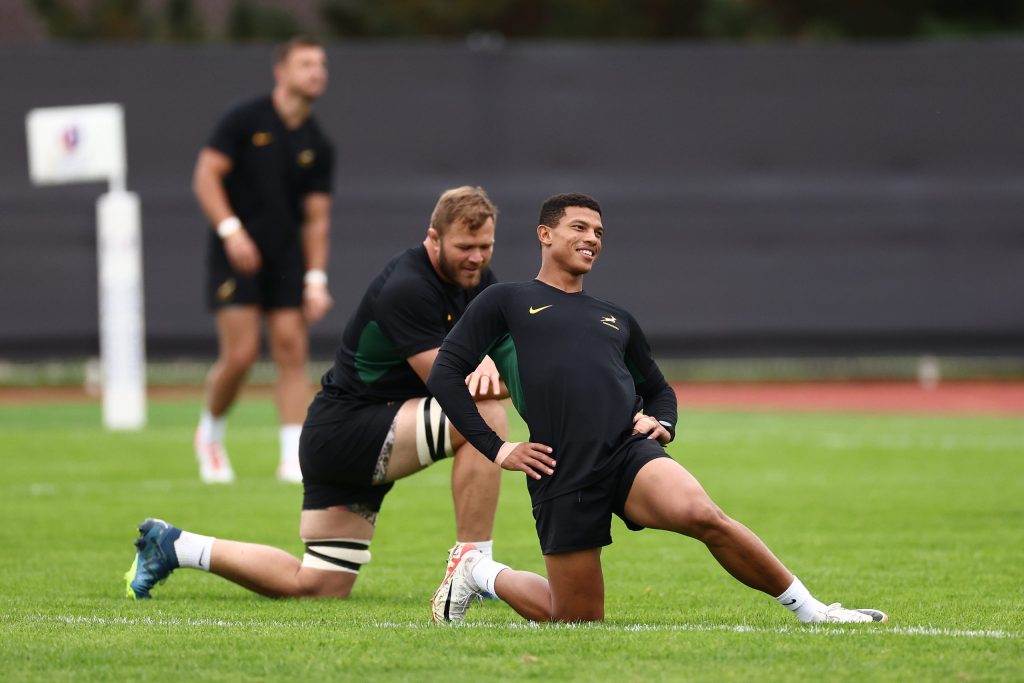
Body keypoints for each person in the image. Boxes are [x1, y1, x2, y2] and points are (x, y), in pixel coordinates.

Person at [426, 192, 889, 624]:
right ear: (544, 234)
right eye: (579, 228)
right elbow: (445, 372)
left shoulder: (616, 317)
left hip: (626, 453)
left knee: (704, 515)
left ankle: (815, 612)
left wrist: (661, 421)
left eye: (599, 233)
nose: (591, 239)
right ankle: (478, 570)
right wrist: (498, 449)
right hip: (558, 468)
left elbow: (659, 389)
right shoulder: (506, 300)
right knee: (576, 619)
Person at [125, 186, 508, 600]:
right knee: (484, 416)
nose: (476, 257)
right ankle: (473, 566)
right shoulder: (408, 286)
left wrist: (493, 369)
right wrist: (486, 370)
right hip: (346, 432)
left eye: (485, 246)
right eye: (464, 246)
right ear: (432, 238)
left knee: (317, 586)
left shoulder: (479, 282)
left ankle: (176, 546)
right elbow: (451, 384)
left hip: (360, 431)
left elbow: (510, 366)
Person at [192, 35, 335, 484]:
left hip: (285, 257)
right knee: (241, 355)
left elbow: (316, 220)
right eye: (306, 64)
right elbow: (205, 177)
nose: (317, 72)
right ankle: (209, 435)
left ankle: (292, 458)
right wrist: (231, 231)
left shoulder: (318, 143)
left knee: (293, 350)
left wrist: (315, 278)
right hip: (235, 253)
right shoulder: (244, 118)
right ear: (282, 72)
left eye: (321, 64)